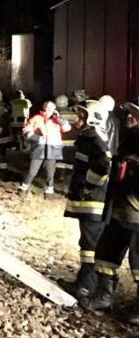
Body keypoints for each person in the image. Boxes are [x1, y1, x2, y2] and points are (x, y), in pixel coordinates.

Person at [84, 100, 139, 324]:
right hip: (119, 208)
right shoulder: (130, 139)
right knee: (107, 252)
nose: (128, 117)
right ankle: (104, 295)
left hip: (136, 210)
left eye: (134, 114)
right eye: (128, 113)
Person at [61, 100, 111, 299]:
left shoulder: (94, 139)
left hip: (93, 202)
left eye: (82, 115)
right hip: (89, 201)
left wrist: (88, 186)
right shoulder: (87, 137)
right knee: (86, 243)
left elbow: (103, 165)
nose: (77, 119)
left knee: (90, 246)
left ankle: (86, 286)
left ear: (92, 118)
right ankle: (83, 281)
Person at [19, 101, 72, 198]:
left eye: (52, 108)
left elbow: (67, 128)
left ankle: (49, 192)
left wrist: (58, 118)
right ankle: (23, 188)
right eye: (48, 108)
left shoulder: (57, 120)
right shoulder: (37, 118)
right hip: (40, 148)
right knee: (32, 171)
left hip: (52, 148)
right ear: (44, 107)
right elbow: (25, 130)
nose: (49, 110)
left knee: (50, 172)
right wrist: (37, 138)